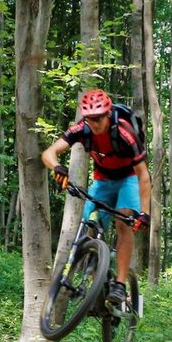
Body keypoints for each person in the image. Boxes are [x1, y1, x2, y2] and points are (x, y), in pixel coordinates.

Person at [41, 88, 151, 310]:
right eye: (90, 118)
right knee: (89, 225)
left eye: (99, 117)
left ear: (108, 114)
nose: (95, 123)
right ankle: (96, 287)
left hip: (128, 178)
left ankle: (120, 285)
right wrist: (58, 167)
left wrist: (145, 213)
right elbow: (48, 153)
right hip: (102, 180)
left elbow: (144, 175)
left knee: (123, 223)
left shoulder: (124, 132)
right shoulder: (82, 129)